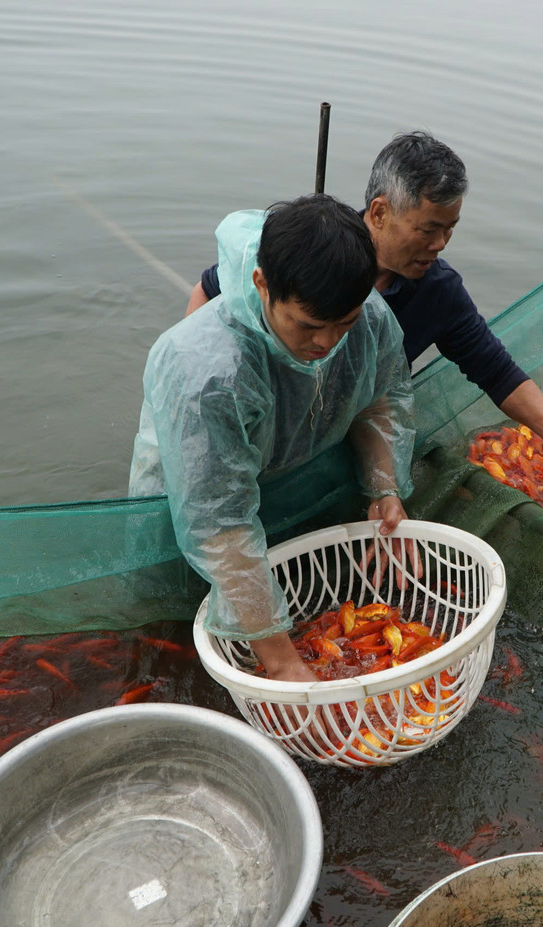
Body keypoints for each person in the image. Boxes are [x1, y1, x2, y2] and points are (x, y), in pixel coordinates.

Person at [186, 131, 543, 490]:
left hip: (344, 444)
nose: (441, 243)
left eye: (450, 229)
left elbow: (496, 370)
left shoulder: (438, 290)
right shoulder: (312, 249)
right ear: (380, 212)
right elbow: (206, 295)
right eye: (428, 229)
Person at [129, 194, 414, 682]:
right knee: (170, 649)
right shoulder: (205, 371)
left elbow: (379, 399)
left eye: (341, 324)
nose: (325, 343)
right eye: (307, 325)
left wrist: (382, 487)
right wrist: (284, 664)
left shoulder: (367, 319)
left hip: (280, 493)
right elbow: (219, 524)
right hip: (190, 515)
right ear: (262, 285)